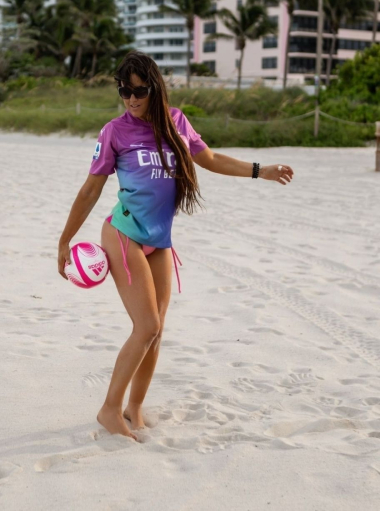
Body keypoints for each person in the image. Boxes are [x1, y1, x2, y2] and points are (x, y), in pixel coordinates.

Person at [57, 51, 294, 441]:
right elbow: (90, 190)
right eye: (123, 90)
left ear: (154, 89)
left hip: (159, 240)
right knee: (145, 325)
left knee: (157, 330)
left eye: (139, 90)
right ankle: (109, 409)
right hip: (123, 233)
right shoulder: (114, 132)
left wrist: (259, 171)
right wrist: (65, 239)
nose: (131, 98)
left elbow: (210, 159)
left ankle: (134, 406)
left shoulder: (176, 122)